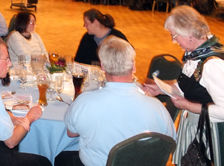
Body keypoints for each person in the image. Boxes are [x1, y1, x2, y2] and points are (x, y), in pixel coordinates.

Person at [58, 36, 176, 166]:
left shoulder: (84, 102)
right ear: (134, 67)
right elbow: (169, 142)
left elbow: (71, 133)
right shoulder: (157, 107)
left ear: (102, 67)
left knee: (60, 156)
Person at [143, 6, 224, 165]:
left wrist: (188, 105)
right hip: (194, 125)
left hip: (209, 133)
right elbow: (187, 86)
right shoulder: (195, 54)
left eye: (175, 36)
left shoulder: (212, 65)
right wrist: (162, 88)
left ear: (190, 34)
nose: (174, 41)